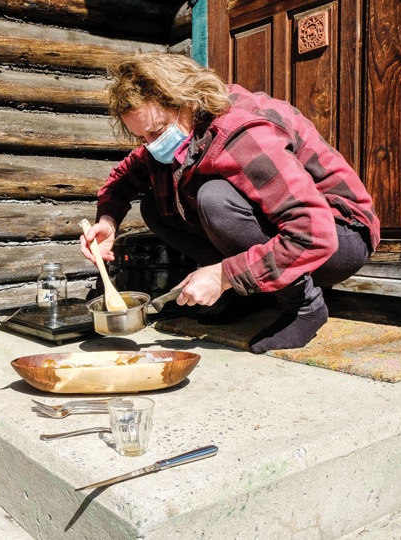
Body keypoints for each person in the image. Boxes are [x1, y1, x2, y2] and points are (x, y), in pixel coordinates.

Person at [81, 53, 380, 353]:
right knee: (155, 207)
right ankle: (246, 295)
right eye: (141, 138)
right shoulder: (175, 135)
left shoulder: (241, 133)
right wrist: (108, 221)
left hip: (342, 237)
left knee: (215, 200)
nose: (151, 144)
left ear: (187, 101)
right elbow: (123, 178)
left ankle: (304, 306)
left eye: (157, 133)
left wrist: (223, 275)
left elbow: (313, 232)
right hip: (303, 233)